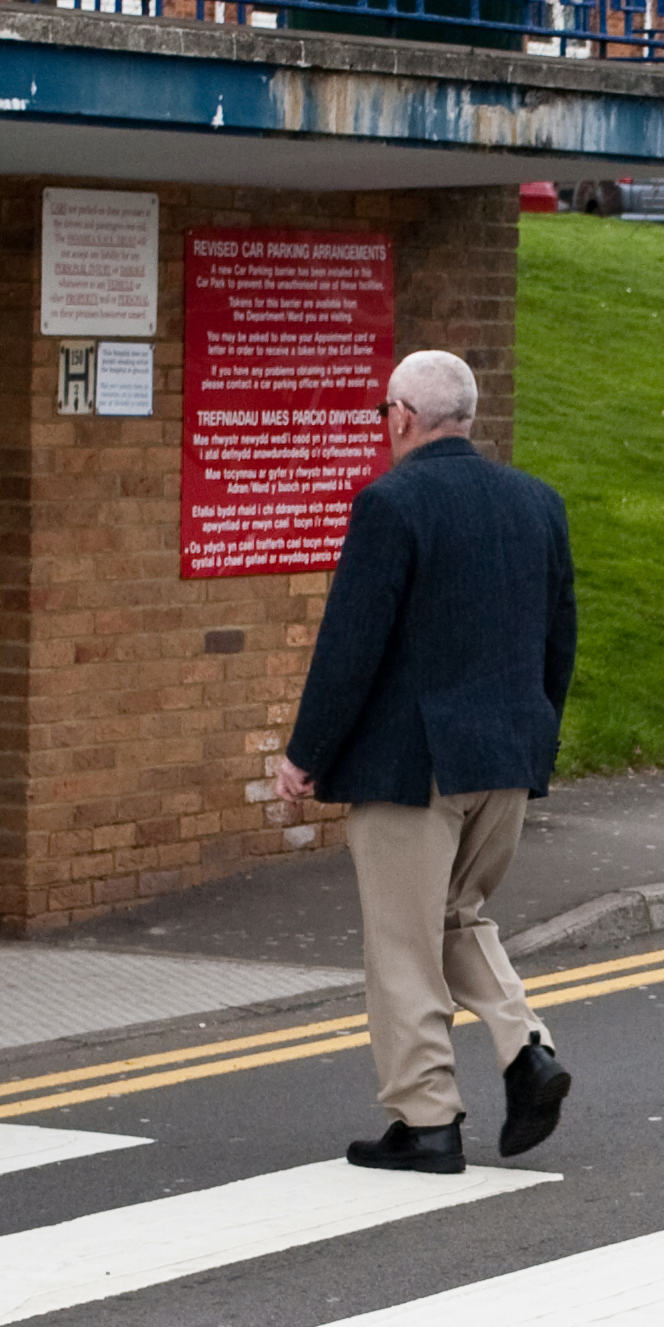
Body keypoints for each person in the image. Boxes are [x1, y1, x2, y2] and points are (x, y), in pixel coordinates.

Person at [271, 350, 579, 1175]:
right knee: (456, 917)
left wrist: (306, 754)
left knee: (403, 943)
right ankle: (527, 1051)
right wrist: (532, 737)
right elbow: (559, 642)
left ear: (403, 416)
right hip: (506, 758)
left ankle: (428, 1122)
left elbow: (351, 646)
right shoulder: (537, 504)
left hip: (416, 767)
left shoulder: (390, 504)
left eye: (384, 414)